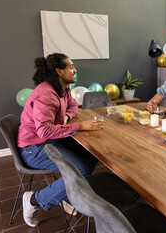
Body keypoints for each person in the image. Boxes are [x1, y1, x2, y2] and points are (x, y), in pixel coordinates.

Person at [17, 53, 103, 227]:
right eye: (70, 67)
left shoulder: (61, 89)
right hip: (33, 148)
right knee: (81, 169)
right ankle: (35, 200)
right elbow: (44, 131)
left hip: (50, 140)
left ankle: (66, 193)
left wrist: (65, 118)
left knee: (93, 153)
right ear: (59, 71)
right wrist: (79, 126)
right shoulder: (46, 94)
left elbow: (72, 106)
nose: (75, 69)